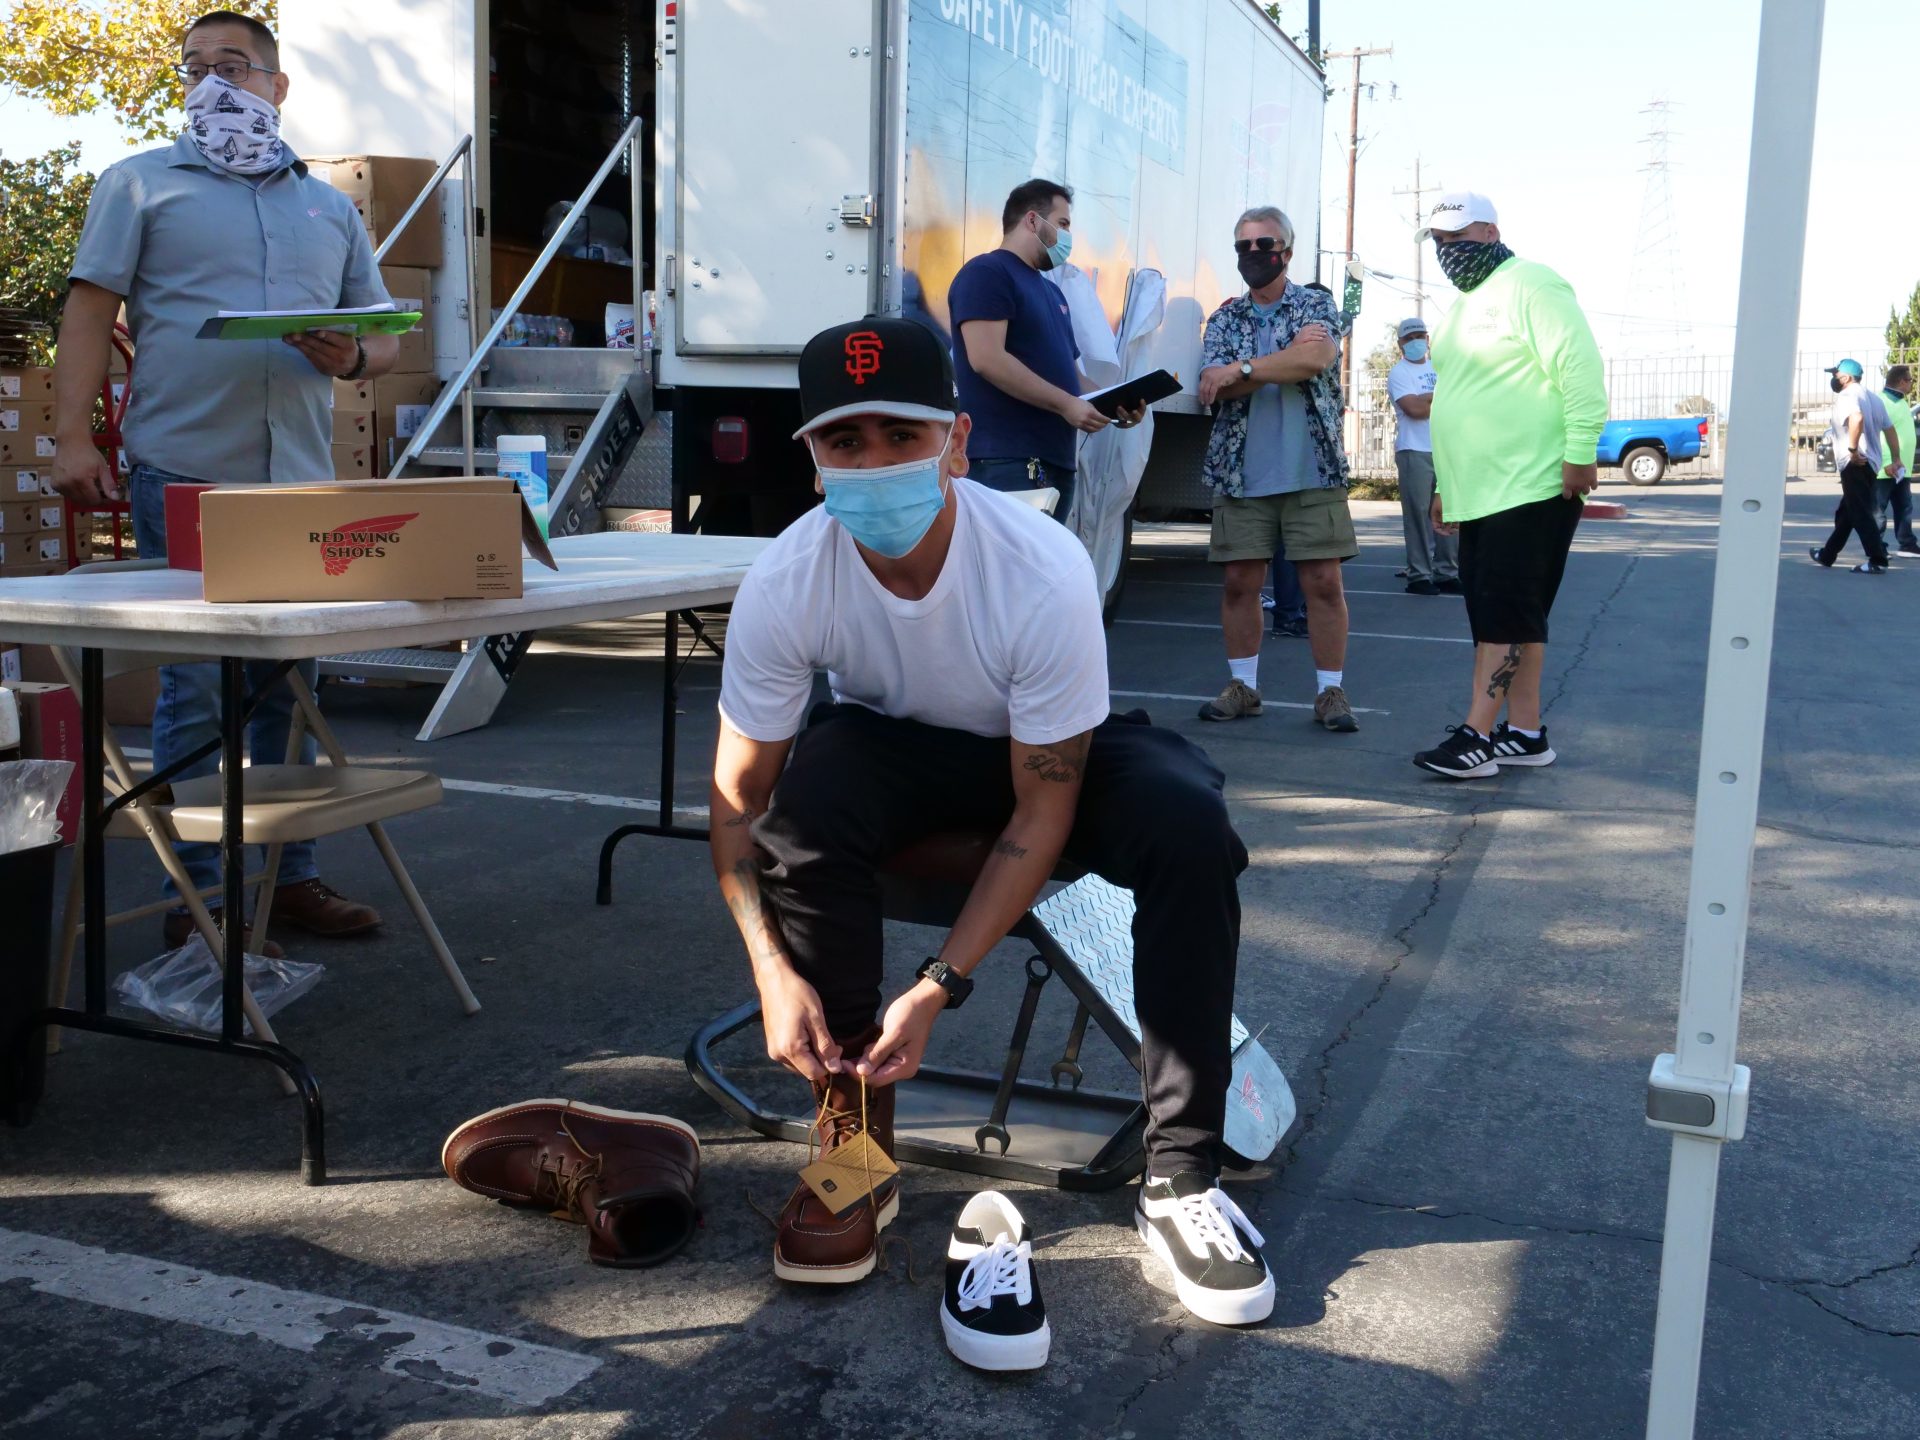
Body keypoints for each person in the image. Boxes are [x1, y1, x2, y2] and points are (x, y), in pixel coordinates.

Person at [710, 318, 1273, 1325]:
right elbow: (735, 808)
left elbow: (1042, 803)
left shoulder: (1040, 564)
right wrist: (770, 970)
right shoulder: (785, 581)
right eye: (846, 443)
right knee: (809, 808)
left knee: (1189, 826)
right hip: (897, 745)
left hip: (1048, 751)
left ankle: (1183, 1179)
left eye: (903, 436)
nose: (874, 463)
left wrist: (937, 986)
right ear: (811, 461)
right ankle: (856, 1155)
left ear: (958, 443)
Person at [53, 10, 398, 944]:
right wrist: (67, 439)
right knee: (201, 685)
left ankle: (291, 877)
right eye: (194, 67)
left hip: (297, 480)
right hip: (187, 471)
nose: (213, 82)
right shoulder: (138, 185)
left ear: (277, 88)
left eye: (234, 67)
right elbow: (89, 315)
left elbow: (379, 339)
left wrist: (350, 358)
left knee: (291, 679)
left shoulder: (327, 206)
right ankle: (196, 891)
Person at [1409, 191, 1607, 780]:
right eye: (1439, 243)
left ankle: (1476, 735)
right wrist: (1447, 485)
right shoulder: (1464, 307)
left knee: (1503, 616)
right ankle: (1524, 734)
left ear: (1491, 232)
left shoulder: (1533, 284)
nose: (1449, 251)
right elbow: (1458, 400)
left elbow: (1580, 370)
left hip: (1533, 484)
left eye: (1458, 238)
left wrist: (1579, 454)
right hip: (1485, 490)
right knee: (1513, 615)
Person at [1194, 206, 1360, 733]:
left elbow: (1314, 361)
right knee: (1240, 583)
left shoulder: (1315, 301)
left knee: (1324, 584)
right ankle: (1243, 686)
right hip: (1242, 474)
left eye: (1264, 245)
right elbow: (1215, 386)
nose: (1253, 255)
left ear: (1286, 252)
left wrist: (1242, 367)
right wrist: (1274, 363)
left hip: (1312, 470)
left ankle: (1330, 693)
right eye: (1244, 246)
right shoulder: (1224, 318)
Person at [947, 179, 1143, 523]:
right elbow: (986, 358)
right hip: (1004, 459)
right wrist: (1067, 405)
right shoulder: (987, 273)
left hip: (1053, 461)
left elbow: (1071, 377)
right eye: (1063, 223)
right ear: (1033, 221)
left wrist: (1115, 406)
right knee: (1007, 571)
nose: (1068, 236)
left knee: (1039, 574)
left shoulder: (1052, 294)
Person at [1810, 358, 1903, 575]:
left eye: (1836, 374)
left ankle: (1878, 559)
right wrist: (1896, 458)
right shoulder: (1873, 397)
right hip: (1870, 464)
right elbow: (1889, 429)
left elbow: (1857, 418)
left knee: (1859, 512)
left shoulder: (1848, 395)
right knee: (1848, 512)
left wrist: (1852, 450)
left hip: (1855, 463)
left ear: (1846, 377)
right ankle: (1827, 555)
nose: (1834, 378)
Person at [1388, 317, 1458, 596]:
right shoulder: (1399, 373)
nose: (1416, 341)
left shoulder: (1441, 369)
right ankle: (1419, 574)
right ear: (1401, 344)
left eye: (1420, 335)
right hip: (1413, 450)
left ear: (1428, 339)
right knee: (1417, 514)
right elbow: (1414, 409)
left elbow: (1455, 404)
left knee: (1451, 511)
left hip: (1445, 449)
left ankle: (1447, 572)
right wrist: (1438, 398)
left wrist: (1428, 398)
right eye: (1409, 338)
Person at [1874, 364, 1918, 556]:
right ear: (1901, 381)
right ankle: (1876, 546)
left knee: (1904, 506)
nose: (1911, 384)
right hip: (1887, 468)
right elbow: (1875, 435)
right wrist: (1886, 463)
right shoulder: (1881, 401)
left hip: (1902, 468)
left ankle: (1907, 543)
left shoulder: (1901, 402)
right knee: (1878, 510)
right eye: (1910, 380)